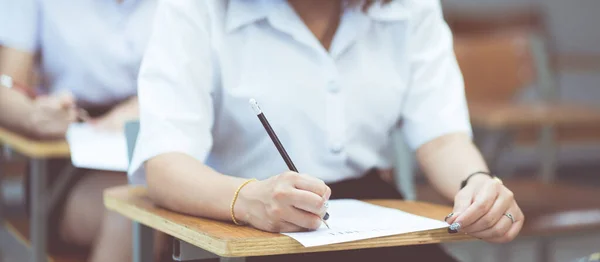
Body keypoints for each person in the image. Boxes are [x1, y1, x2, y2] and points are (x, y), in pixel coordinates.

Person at [130, 0, 525, 261]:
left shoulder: (408, 7)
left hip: (375, 223)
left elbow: (442, 139)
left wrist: (476, 182)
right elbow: (165, 165)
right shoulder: (195, 9)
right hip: (243, 223)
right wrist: (250, 200)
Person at [0, 0, 164, 261]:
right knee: (133, 215)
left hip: (164, 149)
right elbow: (6, 89)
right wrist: (33, 116)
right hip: (66, 151)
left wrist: (150, 103)